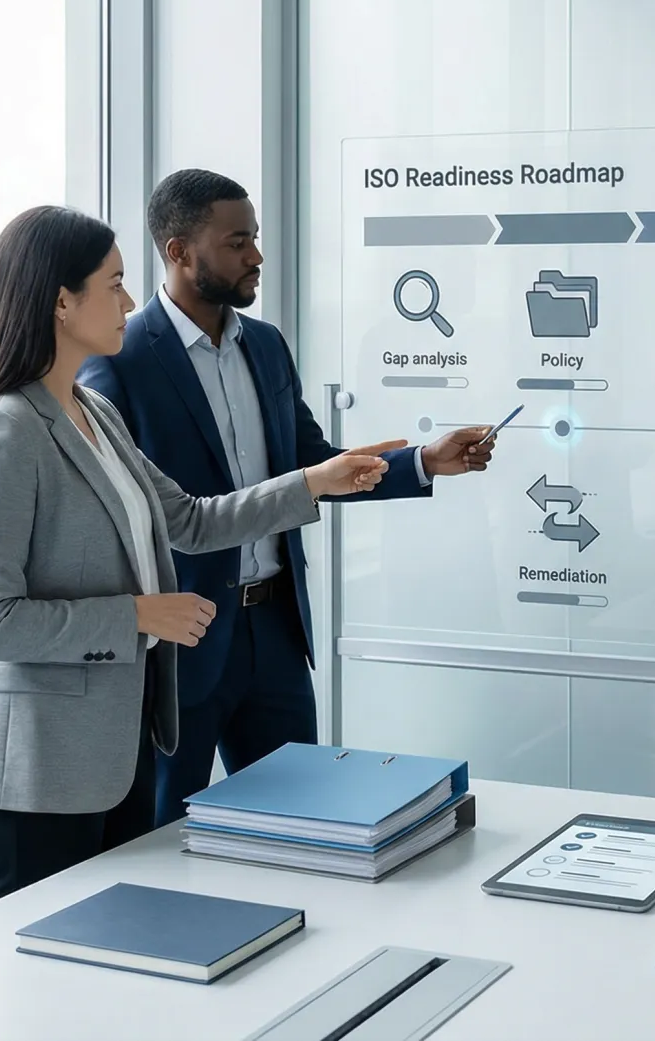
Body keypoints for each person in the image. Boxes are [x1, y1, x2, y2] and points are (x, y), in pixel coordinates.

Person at [0, 207, 401, 905]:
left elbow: (190, 519)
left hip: (119, 757)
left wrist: (316, 481)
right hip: (39, 777)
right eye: (114, 284)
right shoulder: (5, 429)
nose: (129, 303)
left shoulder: (94, 412)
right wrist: (137, 616)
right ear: (61, 301)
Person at [80, 170, 496, 827]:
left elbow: (311, 462)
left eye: (254, 237)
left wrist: (422, 461)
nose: (256, 256)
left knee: (305, 821)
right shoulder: (120, 358)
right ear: (179, 251)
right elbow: (123, 510)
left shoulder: (267, 345)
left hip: (275, 631)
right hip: (182, 639)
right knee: (161, 836)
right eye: (236, 242)